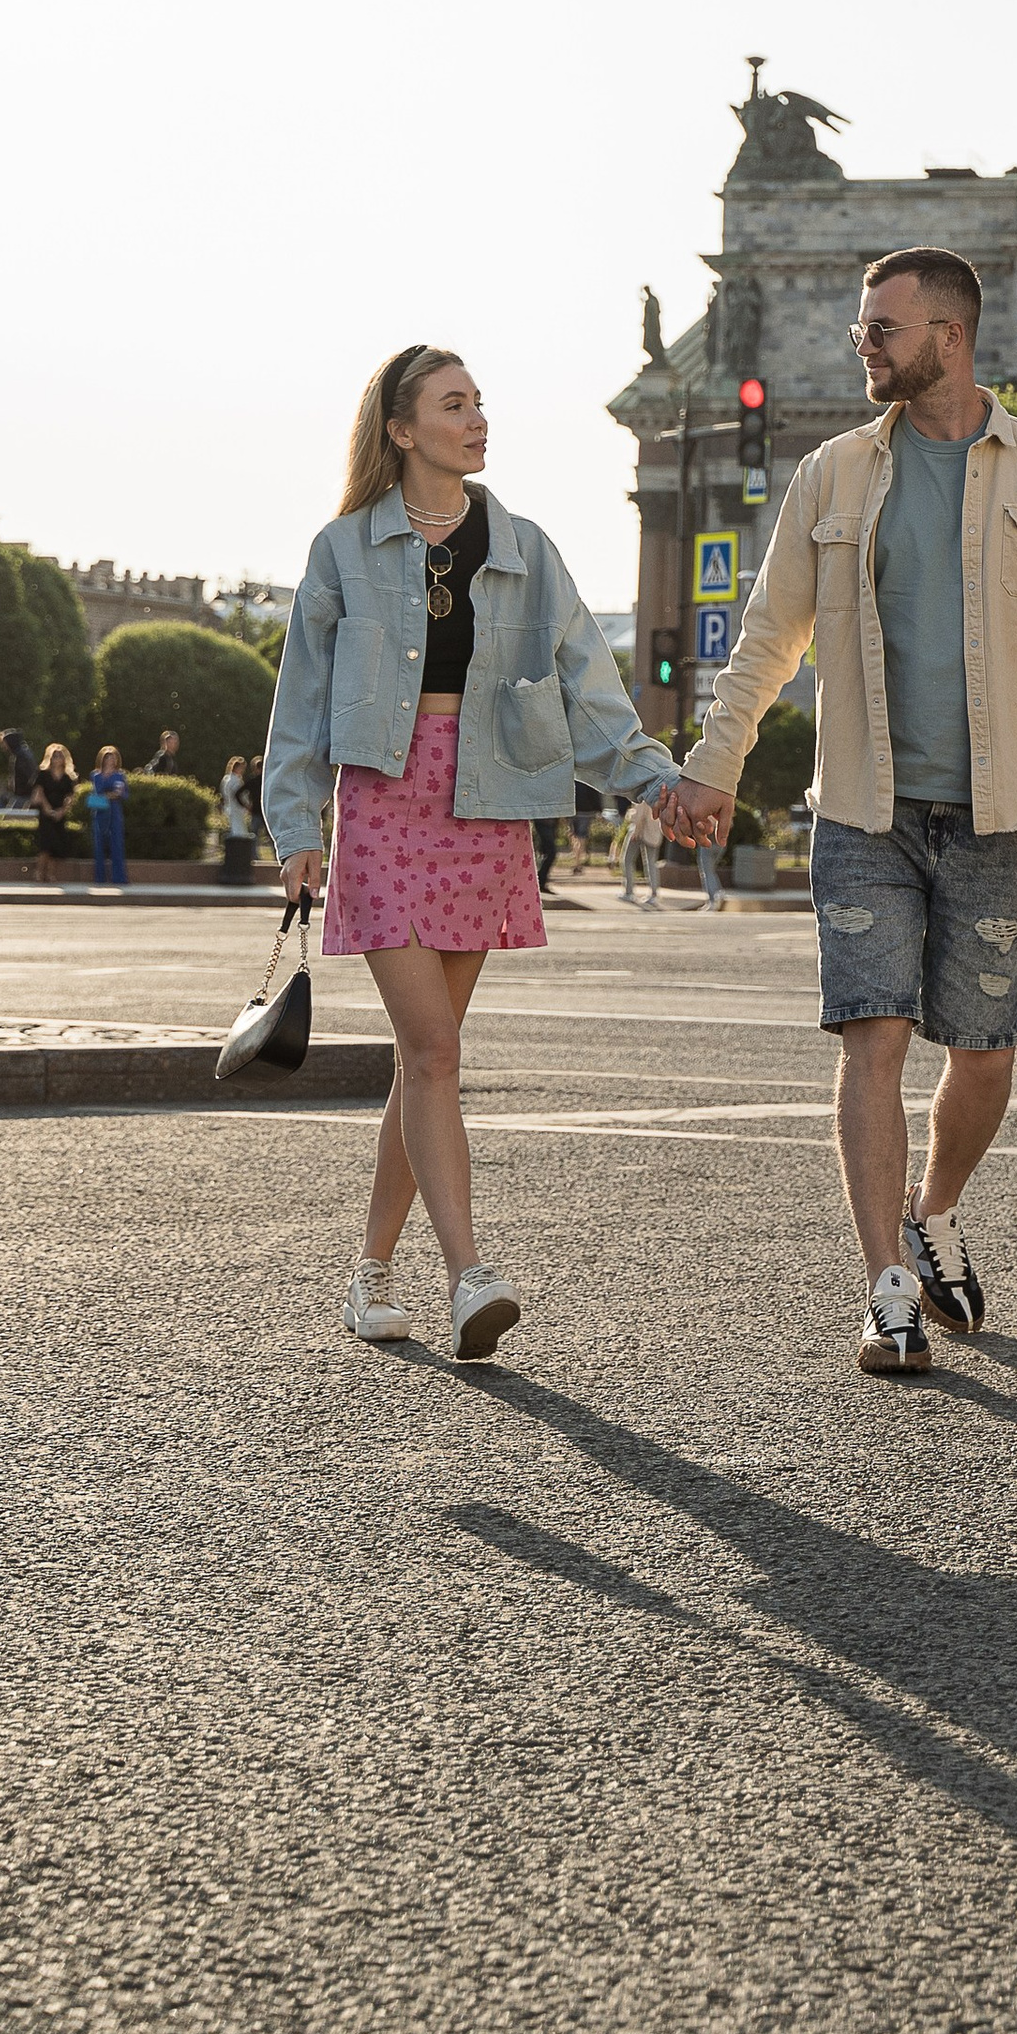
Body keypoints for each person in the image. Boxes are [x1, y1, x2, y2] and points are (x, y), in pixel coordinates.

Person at [665, 246, 1017, 1379]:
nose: (862, 345)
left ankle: (934, 1212)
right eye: (861, 328)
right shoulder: (831, 471)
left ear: (949, 337)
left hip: (996, 808)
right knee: (870, 1038)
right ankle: (887, 1291)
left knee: (981, 1050)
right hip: (863, 809)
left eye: (883, 328)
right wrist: (713, 763)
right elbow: (767, 634)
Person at [264, 343, 683, 1363]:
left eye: (480, 403)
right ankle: (468, 1277)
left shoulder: (526, 547)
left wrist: (656, 781)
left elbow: (586, 677)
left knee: (426, 1062)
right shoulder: (344, 550)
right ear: (403, 431)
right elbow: (300, 701)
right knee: (435, 1054)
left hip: (489, 802)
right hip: (386, 800)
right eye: (454, 406)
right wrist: (296, 826)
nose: (477, 419)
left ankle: (368, 1273)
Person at [29, 742, 77, 888]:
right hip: (45, 813)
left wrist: (62, 810)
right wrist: (47, 808)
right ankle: (38, 872)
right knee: (45, 844)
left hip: (59, 813)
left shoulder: (68, 778)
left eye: (60, 756)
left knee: (56, 845)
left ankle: (50, 874)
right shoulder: (43, 774)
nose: (57, 758)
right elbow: (39, 792)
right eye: (55, 755)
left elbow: (70, 796)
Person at [87, 745, 131, 892]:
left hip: (115, 812)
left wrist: (114, 793)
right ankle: (100, 877)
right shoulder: (96, 775)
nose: (110, 760)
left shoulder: (120, 775)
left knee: (116, 843)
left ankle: (118, 877)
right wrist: (109, 794)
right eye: (107, 758)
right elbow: (97, 791)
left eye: (112, 758)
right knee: (99, 844)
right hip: (100, 812)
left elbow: (123, 794)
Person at [617, 791, 665, 906]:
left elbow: (639, 815)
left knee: (627, 860)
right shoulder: (658, 793)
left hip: (639, 831)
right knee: (651, 863)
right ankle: (654, 894)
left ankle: (629, 892)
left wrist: (636, 831)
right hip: (654, 832)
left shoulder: (642, 793)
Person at [217, 754, 256, 884]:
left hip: (230, 809)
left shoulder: (226, 779)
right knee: (239, 834)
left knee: (235, 831)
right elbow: (239, 795)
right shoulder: (236, 781)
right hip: (237, 810)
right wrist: (247, 806)